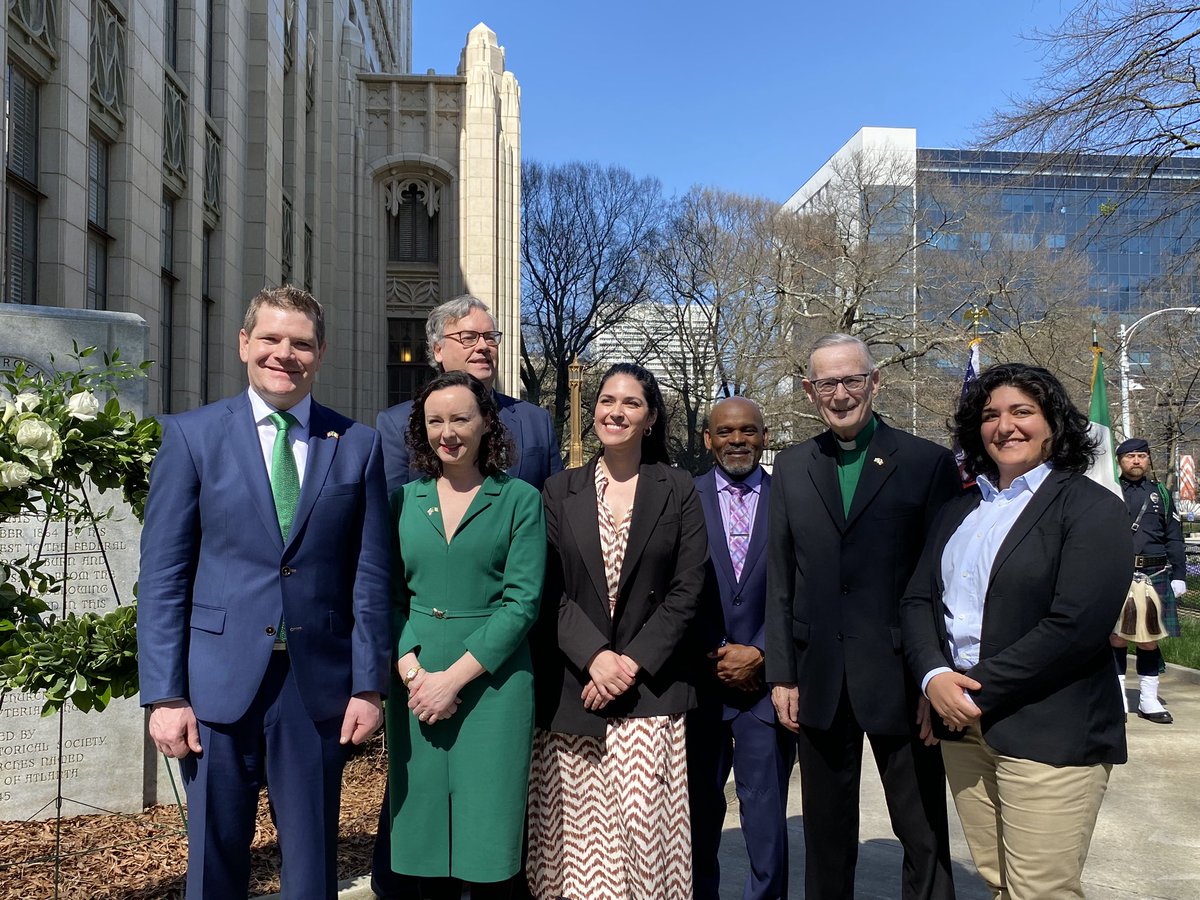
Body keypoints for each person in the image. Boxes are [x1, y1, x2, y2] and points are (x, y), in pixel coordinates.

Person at [137, 286, 391, 899]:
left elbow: (371, 576)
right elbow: (165, 577)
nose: (285, 354)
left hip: (316, 690)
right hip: (215, 687)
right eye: (271, 339)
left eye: (301, 343)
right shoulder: (191, 437)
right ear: (244, 343)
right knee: (213, 864)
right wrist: (164, 694)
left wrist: (369, 682)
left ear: (320, 353)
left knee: (309, 869)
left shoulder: (356, 446)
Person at [900, 362, 1132, 900]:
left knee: (1039, 890)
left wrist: (970, 692)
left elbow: (1075, 625)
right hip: (963, 729)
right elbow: (917, 599)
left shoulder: (1091, 507)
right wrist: (934, 676)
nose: (1005, 426)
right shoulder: (962, 508)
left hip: (1049, 727)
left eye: (1022, 411)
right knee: (999, 880)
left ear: (1053, 422)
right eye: (990, 415)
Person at [373, 294, 562, 899]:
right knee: (420, 838)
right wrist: (411, 672)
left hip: (492, 678)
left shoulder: (520, 500)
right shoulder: (405, 501)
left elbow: (523, 599)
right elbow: (390, 591)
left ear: (487, 424)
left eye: (461, 420)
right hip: (417, 678)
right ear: (421, 430)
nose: (448, 431)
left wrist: (453, 679)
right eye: (436, 422)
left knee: (489, 840)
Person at [764, 333, 958, 900]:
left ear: (876, 381)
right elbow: (782, 575)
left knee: (922, 834)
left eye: (853, 379)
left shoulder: (927, 464)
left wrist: (932, 678)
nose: (841, 394)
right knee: (825, 839)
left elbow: (941, 581)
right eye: (827, 382)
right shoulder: (794, 466)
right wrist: (783, 673)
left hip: (903, 677)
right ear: (808, 390)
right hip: (818, 676)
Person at [526, 363, 708, 900]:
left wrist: (628, 663)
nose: (615, 412)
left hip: (649, 694)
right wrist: (595, 657)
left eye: (631, 403)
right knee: (573, 857)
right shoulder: (560, 489)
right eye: (607, 400)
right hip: (573, 695)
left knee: (646, 851)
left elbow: (688, 588)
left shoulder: (676, 488)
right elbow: (545, 589)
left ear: (650, 417)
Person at [687, 397, 794, 900]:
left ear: (764, 436)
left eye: (748, 431)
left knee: (767, 819)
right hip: (699, 686)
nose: (737, 440)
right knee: (695, 815)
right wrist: (716, 650)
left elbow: (807, 587)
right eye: (725, 432)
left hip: (765, 691)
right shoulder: (683, 497)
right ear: (708, 439)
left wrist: (762, 651)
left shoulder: (792, 498)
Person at [375, 294, 563, 494]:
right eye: (469, 338)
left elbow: (556, 505)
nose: (483, 346)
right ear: (438, 350)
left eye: (490, 337)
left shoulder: (535, 421)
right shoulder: (397, 424)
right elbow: (392, 509)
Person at [1109, 437, 1190, 724]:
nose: (1136, 461)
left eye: (1142, 456)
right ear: (1119, 460)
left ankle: (1148, 699)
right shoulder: (1108, 491)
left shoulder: (1162, 494)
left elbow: (1175, 538)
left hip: (1155, 575)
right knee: (1116, 637)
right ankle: (1116, 698)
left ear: (1148, 460)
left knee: (1149, 640)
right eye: (1130, 456)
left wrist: (1179, 575)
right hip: (1117, 574)